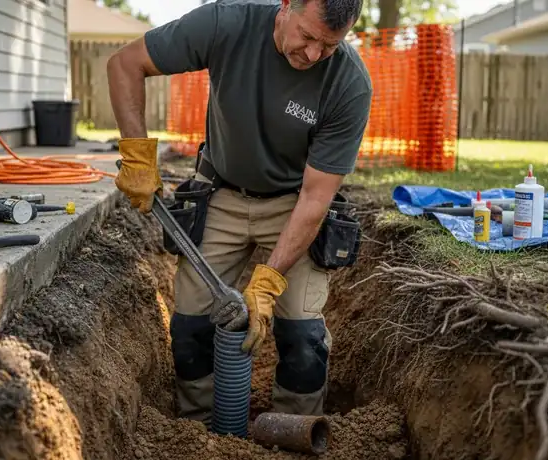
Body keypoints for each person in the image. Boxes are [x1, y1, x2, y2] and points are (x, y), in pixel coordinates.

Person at [106, 0, 371, 426]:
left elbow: (315, 199)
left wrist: (268, 282)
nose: (313, 55)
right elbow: (125, 64)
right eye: (307, 36)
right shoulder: (226, 24)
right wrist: (137, 155)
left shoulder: (348, 83)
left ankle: (295, 433)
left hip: (294, 205)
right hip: (222, 193)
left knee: (303, 336)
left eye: (330, 45)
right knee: (192, 326)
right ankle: (196, 431)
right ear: (286, 5)